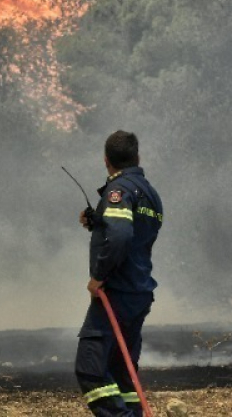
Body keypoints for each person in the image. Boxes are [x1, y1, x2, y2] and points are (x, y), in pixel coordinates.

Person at [75, 130, 164, 417]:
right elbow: (134, 232)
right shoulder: (150, 193)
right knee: (121, 370)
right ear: (137, 157)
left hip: (117, 291)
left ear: (106, 160)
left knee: (90, 369)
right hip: (138, 291)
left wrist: (99, 276)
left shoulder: (119, 191)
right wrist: (98, 222)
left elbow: (121, 236)